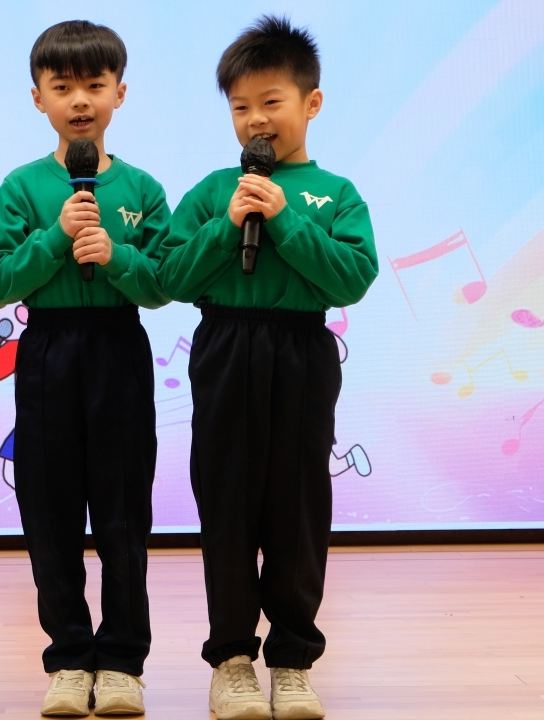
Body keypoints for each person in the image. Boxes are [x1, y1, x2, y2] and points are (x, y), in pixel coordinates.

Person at [157, 15, 378, 720]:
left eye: (271, 102)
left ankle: (291, 661)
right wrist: (228, 225)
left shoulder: (335, 193)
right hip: (226, 345)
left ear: (311, 103)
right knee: (226, 503)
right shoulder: (212, 190)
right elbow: (170, 275)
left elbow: (352, 278)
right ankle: (231, 661)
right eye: (240, 106)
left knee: (297, 506)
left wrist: (283, 218)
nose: (255, 119)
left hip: (301, 349)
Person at [0, 20, 170, 717]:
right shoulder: (23, 186)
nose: (80, 100)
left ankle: (121, 659)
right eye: (63, 87)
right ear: (38, 98)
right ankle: (67, 655)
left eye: (95, 84)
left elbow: (165, 282)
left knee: (123, 513)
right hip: (48, 351)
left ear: (120, 92)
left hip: (119, 348)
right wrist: (56, 237)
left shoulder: (143, 187)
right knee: (50, 510)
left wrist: (115, 255)